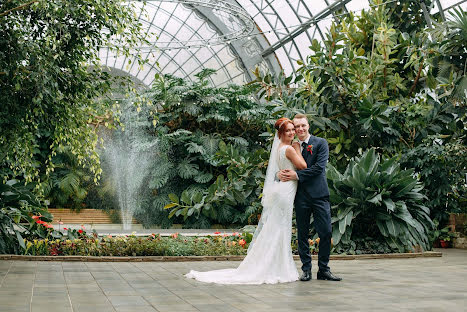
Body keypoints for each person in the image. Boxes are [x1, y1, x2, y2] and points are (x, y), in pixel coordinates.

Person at [185, 117, 306, 284]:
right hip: (285, 191)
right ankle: (276, 267)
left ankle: (276, 265)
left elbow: (279, 170)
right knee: (280, 228)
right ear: (281, 133)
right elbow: (303, 166)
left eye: (293, 129)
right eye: (288, 130)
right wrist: (298, 148)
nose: (292, 132)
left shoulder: (279, 147)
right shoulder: (290, 149)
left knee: (277, 228)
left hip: (282, 190)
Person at [278, 114, 342, 281]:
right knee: (302, 234)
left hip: (320, 195)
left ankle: (324, 269)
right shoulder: (290, 146)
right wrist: (279, 173)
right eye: (297, 126)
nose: (300, 129)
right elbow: (282, 167)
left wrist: (296, 175)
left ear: (308, 126)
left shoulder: (320, 143)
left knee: (326, 232)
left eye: (302, 125)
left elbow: (319, 169)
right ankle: (306, 270)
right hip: (300, 196)